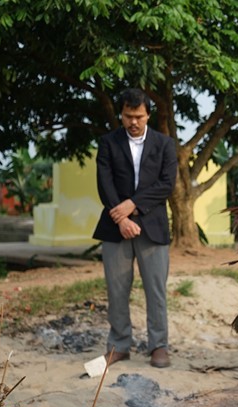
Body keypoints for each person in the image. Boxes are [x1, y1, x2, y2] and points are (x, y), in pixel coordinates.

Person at [93, 88, 178, 368]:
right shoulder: (108, 143)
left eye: (139, 116)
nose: (133, 122)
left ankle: (159, 346)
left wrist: (133, 206)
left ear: (148, 115)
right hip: (115, 227)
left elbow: (166, 184)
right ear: (121, 114)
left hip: (153, 227)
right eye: (128, 116)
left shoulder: (165, 144)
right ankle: (119, 345)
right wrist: (122, 217)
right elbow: (104, 183)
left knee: (156, 290)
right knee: (116, 290)